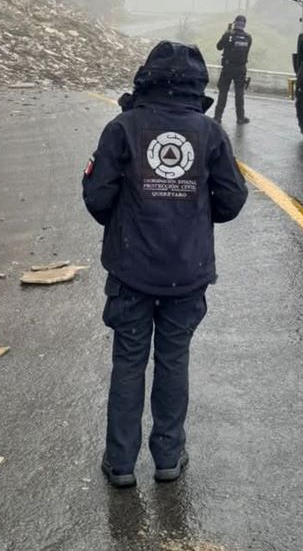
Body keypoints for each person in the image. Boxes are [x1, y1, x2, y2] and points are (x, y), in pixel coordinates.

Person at [82, 41, 248, 489]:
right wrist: (191, 213)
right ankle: (168, 458)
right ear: (197, 85)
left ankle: (120, 463)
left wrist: (128, 217)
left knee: (129, 361)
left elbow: (97, 197)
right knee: (174, 361)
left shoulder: (123, 128)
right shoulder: (209, 133)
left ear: (147, 77)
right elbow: (232, 200)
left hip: (131, 271)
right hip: (187, 272)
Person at [214, 15, 253, 125]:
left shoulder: (228, 35)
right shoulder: (248, 37)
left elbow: (219, 47)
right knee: (239, 93)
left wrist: (226, 33)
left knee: (223, 92)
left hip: (228, 67)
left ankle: (217, 117)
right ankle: (240, 118)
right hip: (241, 68)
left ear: (235, 23)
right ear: (244, 25)